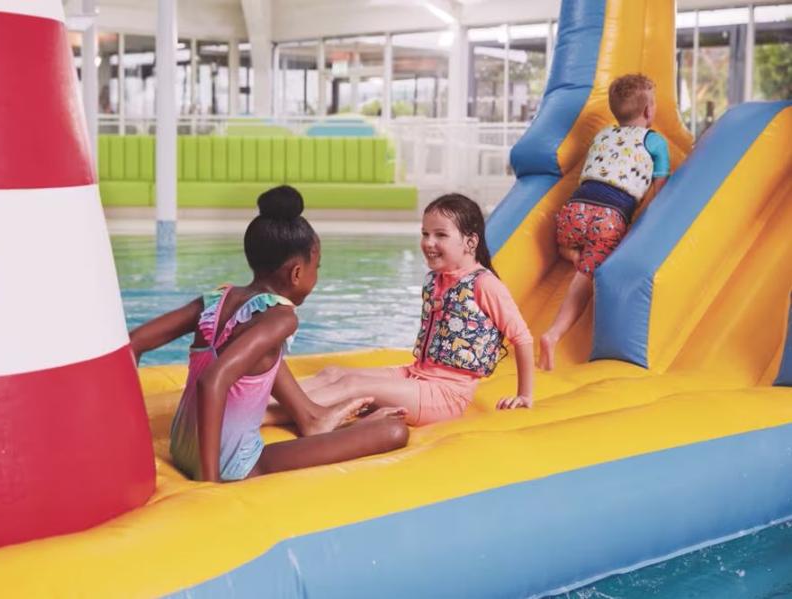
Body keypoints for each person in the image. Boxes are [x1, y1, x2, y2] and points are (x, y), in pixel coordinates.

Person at [130, 185, 409, 482]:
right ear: (297, 273)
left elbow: (134, 343)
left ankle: (310, 416)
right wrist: (208, 483)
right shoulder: (281, 318)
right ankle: (308, 420)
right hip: (231, 464)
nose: (317, 275)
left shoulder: (218, 299)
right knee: (394, 432)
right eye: (318, 267)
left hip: (182, 446)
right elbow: (213, 380)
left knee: (261, 350)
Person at [278, 194, 535, 427]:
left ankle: (271, 414)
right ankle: (263, 400)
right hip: (416, 374)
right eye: (425, 233)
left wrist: (524, 395)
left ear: (470, 242)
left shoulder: (484, 283)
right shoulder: (439, 278)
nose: (429, 242)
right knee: (334, 373)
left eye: (440, 235)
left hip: (446, 395)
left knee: (352, 385)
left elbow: (522, 337)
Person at [538, 73, 671, 371]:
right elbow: (660, 191)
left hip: (573, 212)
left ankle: (569, 252)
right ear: (649, 111)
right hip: (609, 217)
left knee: (568, 243)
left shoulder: (602, 135)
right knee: (587, 275)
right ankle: (553, 334)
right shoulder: (655, 142)